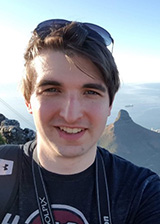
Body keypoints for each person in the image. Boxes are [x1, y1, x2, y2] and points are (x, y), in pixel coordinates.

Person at [0, 19, 160, 224]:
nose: (71, 115)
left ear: (110, 105)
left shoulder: (143, 193)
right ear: (28, 100)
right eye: (52, 90)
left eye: (90, 92)